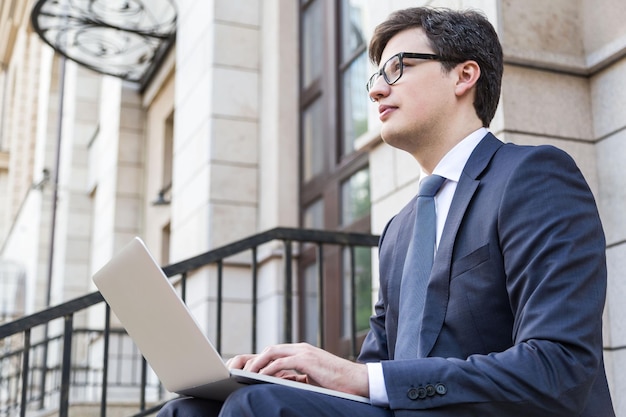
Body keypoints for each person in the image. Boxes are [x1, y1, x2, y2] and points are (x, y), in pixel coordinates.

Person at [158, 6, 615, 417]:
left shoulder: (533, 176)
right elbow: (374, 372)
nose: (377, 90)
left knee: (259, 406)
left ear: (464, 76)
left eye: (397, 69)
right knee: (193, 409)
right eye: (374, 76)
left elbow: (559, 366)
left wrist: (362, 379)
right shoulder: (400, 230)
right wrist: (306, 378)